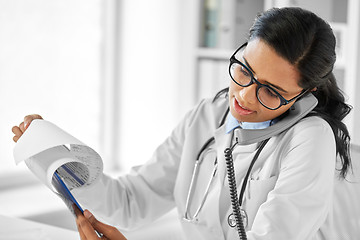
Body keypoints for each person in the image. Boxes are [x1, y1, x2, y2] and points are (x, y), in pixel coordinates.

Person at [12, 7, 358, 240]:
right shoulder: (210, 114)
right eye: (245, 71)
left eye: (270, 90)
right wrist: (56, 156)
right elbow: (132, 202)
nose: (246, 97)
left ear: (304, 93)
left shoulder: (311, 137)